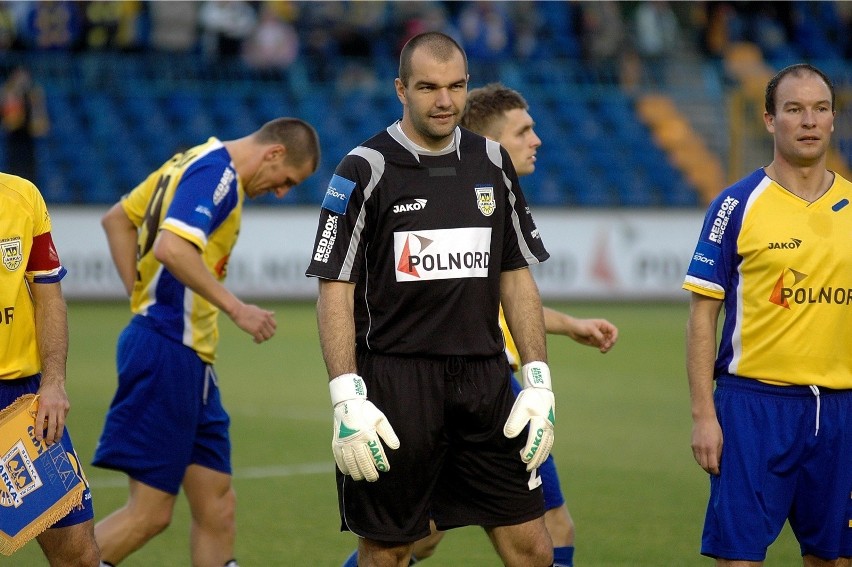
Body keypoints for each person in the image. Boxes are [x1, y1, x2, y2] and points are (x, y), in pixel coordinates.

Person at [340, 83, 619, 567]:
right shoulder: (395, 176)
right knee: (413, 539)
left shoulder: (495, 191)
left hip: (493, 389)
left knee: (527, 533)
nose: (537, 140)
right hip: (427, 386)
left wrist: (564, 329)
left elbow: (501, 298)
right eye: (524, 130)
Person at [306, 31, 556, 567]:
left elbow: (514, 274)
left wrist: (538, 381)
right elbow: (335, 288)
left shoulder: (492, 162)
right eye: (428, 87)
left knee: (533, 548)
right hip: (396, 383)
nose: (444, 101)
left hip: (485, 381)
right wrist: (347, 396)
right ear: (401, 89)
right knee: (389, 553)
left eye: (455, 86)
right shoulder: (362, 169)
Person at [92, 118, 320, 567]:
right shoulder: (218, 174)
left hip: (188, 357)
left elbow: (117, 220)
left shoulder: (191, 160)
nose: (280, 192)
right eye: (286, 181)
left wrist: (143, 298)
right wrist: (237, 308)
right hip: (169, 351)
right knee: (150, 514)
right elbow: (172, 249)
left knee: (218, 507)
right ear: (274, 153)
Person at [684, 63, 852, 566]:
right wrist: (703, 415)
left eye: (820, 109)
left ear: (833, 118)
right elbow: (700, 317)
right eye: (794, 109)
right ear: (768, 120)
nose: (809, 121)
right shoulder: (735, 206)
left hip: (841, 410)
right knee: (739, 559)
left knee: (834, 559)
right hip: (753, 407)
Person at [0, 172, 100, 565]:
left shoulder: (22, 196)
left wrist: (54, 381)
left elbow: (49, 297)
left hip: (22, 398)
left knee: (78, 554)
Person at [1, 66, 50, 183]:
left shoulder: (33, 95)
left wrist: (35, 104)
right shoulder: (8, 93)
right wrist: (14, 98)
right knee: (14, 175)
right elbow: (11, 122)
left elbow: (41, 127)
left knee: (29, 176)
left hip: (29, 143)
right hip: (14, 142)